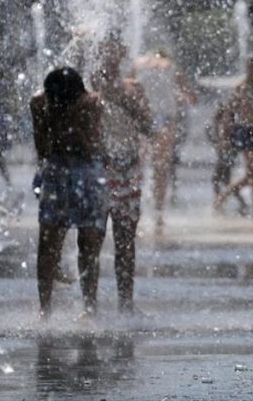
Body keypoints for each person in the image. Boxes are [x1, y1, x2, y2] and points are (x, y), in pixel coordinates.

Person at [30, 67, 106, 320]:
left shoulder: (91, 103)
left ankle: (89, 308)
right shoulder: (39, 103)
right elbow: (42, 149)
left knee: (89, 242)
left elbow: (91, 147)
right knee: (48, 239)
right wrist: (49, 120)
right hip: (56, 170)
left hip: (87, 171)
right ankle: (45, 309)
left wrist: (73, 120)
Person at [92, 36, 153, 314]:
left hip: (127, 172)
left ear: (123, 54)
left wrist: (127, 101)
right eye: (104, 51)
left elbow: (149, 127)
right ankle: (89, 306)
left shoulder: (134, 89)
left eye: (114, 51)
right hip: (97, 172)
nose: (109, 57)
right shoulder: (87, 90)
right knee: (91, 239)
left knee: (125, 239)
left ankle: (125, 303)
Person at [132, 50, 196, 234]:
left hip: (144, 118)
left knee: (139, 166)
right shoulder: (171, 66)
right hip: (166, 119)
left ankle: (136, 208)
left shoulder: (139, 64)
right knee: (161, 167)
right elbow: (191, 97)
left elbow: (127, 88)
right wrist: (181, 98)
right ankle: (159, 213)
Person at [214, 57, 253, 217]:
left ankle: (225, 197)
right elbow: (228, 112)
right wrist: (224, 136)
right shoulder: (241, 88)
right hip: (242, 131)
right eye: (252, 69)